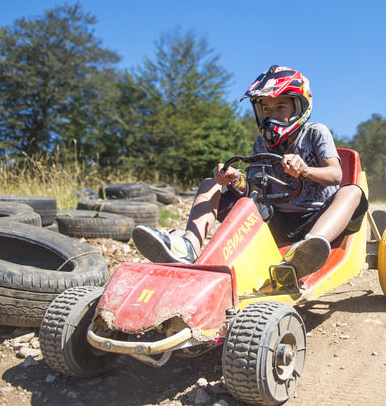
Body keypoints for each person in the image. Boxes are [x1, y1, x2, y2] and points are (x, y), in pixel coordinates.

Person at [132, 65, 368, 279]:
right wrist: (235, 180)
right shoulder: (261, 143)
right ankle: (188, 246)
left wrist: (305, 170)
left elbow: (335, 175)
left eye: (280, 106)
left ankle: (306, 251)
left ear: (300, 106)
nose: (271, 114)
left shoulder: (315, 132)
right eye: (265, 107)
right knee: (210, 183)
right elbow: (256, 190)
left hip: (318, 219)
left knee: (352, 192)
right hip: (277, 220)